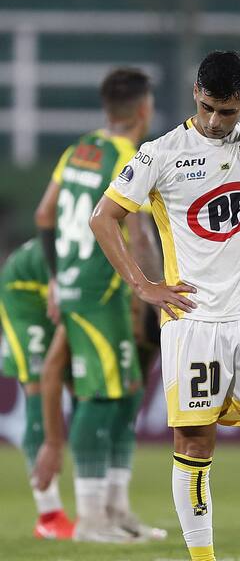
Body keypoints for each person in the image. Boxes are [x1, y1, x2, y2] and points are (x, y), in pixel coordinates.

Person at [90, 50, 240, 561]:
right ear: (195, 96)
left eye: (228, 110)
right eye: (208, 108)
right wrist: (142, 285)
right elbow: (103, 218)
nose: (216, 121)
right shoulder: (160, 153)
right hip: (194, 321)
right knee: (195, 444)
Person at [33, 67, 165, 543]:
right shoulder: (129, 155)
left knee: (125, 390)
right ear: (144, 108)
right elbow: (141, 232)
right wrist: (152, 289)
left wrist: (54, 276)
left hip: (76, 283)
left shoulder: (78, 150)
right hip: (103, 290)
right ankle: (90, 518)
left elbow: (45, 212)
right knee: (103, 393)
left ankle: (116, 509)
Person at [0, 239, 75, 539]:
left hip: (62, 289)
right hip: (24, 290)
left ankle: (99, 510)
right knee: (37, 386)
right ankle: (49, 515)